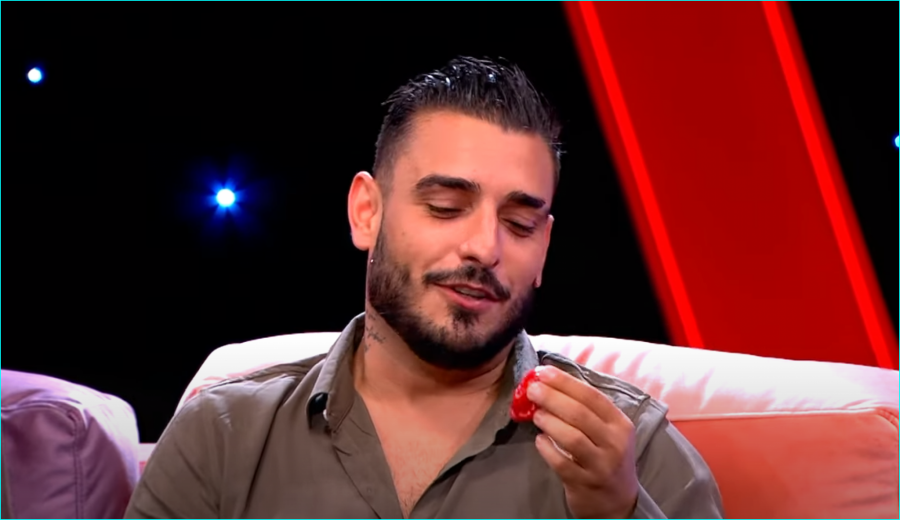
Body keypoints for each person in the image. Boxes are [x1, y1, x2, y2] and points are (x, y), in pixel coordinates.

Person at [126, 56, 724, 519]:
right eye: (445, 207)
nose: (485, 247)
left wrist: (619, 512)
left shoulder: (633, 453)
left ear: (544, 247)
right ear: (367, 212)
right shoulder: (224, 438)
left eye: (519, 224)